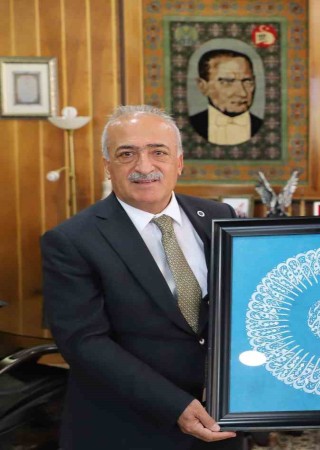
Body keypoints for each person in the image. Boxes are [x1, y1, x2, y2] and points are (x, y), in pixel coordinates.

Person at [41, 105, 242, 449]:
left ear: (179, 162)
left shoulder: (218, 216)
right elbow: (85, 343)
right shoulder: (71, 240)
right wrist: (175, 405)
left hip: (221, 424)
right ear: (108, 166)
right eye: (127, 154)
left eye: (158, 152)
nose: (144, 166)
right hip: (126, 426)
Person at [190, 49, 263, 145]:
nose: (242, 93)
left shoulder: (269, 128)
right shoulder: (187, 126)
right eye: (227, 82)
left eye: (247, 82)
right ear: (203, 86)